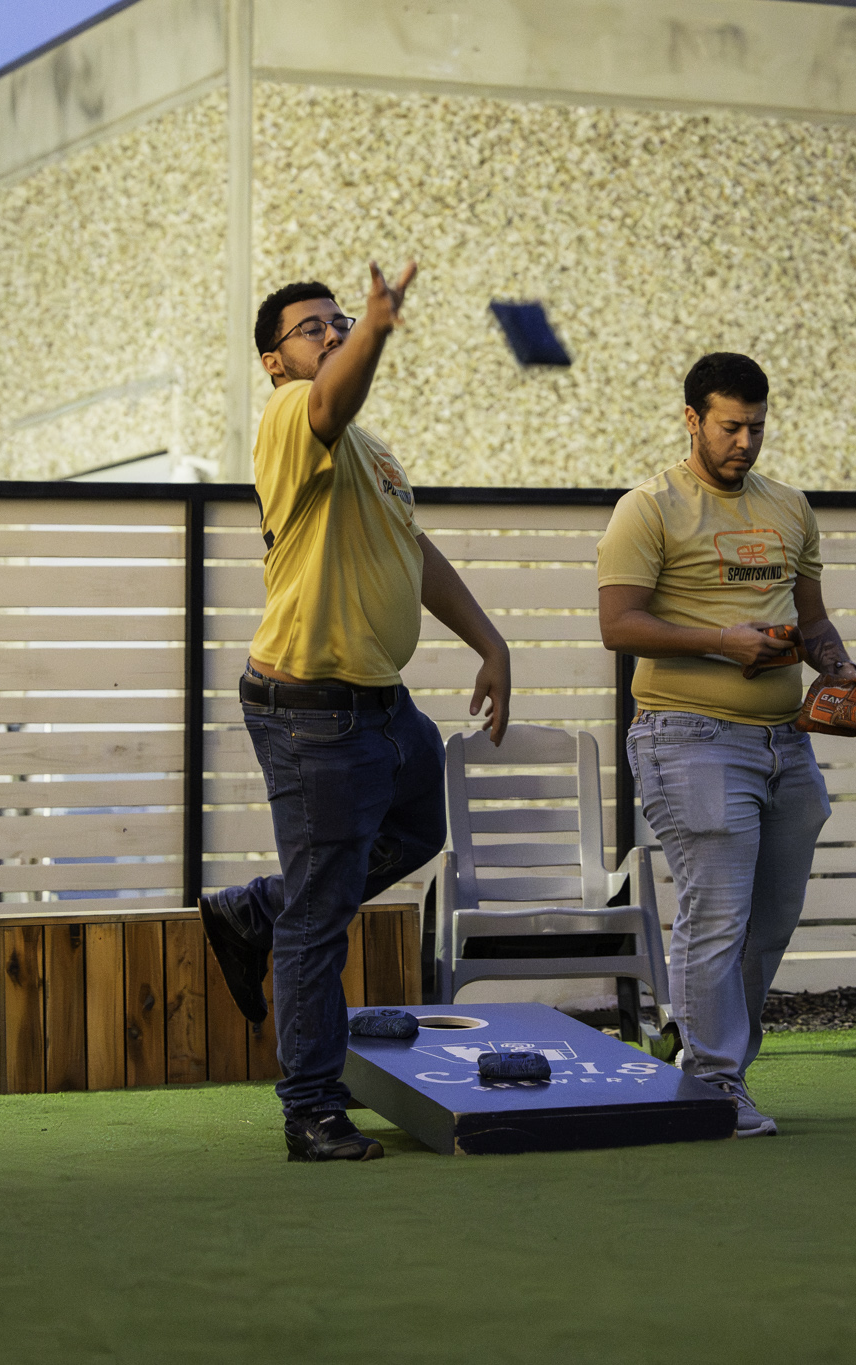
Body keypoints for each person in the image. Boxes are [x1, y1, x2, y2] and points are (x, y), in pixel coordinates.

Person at [199, 265, 513, 1162]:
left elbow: (413, 548)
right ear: (274, 361)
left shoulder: (370, 452)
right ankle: (310, 1109)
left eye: (339, 320)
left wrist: (489, 641)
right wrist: (373, 325)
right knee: (321, 918)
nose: (330, 332)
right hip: (312, 712)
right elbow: (333, 397)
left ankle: (256, 910)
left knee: (417, 827)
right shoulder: (289, 417)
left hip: (383, 708)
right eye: (312, 327)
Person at [596, 352, 856, 1137]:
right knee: (715, 916)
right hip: (687, 736)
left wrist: (843, 673)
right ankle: (714, 1083)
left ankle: (708, 1063)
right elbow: (617, 624)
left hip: (786, 742)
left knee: (769, 921)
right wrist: (722, 641)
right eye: (729, 427)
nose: (744, 442)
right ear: (692, 420)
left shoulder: (789, 506)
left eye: (756, 427)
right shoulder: (647, 508)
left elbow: (812, 619)